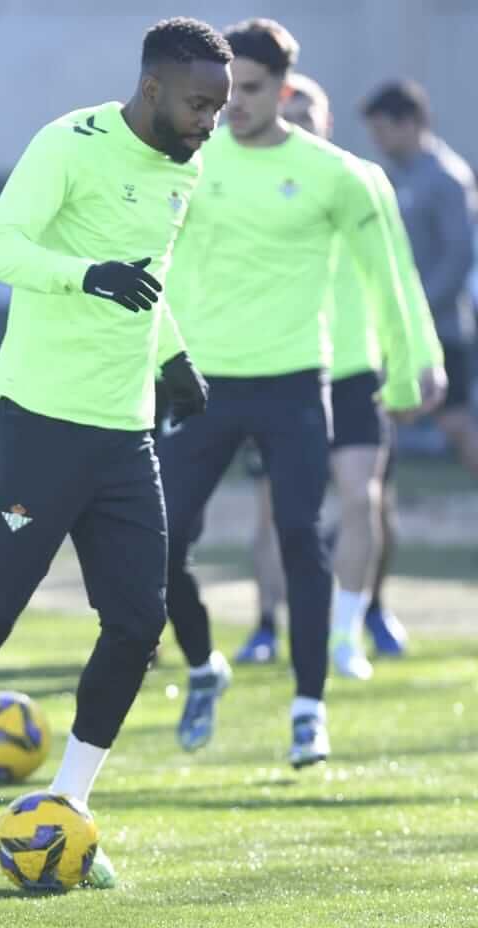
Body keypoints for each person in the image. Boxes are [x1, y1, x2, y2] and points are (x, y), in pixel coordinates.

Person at [0, 16, 229, 883]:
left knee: (139, 623)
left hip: (125, 432)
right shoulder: (68, 143)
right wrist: (84, 272)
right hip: (40, 425)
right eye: (197, 103)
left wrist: (174, 359)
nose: (209, 120)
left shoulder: (189, 164)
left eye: (217, 106)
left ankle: (69, 806)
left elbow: (150, 279)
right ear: (151, 89)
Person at [160, 20, 431, 769]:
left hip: (292, 386)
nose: (231, 105)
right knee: (159, 544)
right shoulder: (183, 162)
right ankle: (202, 664)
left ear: (283, 90)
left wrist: (414, 368)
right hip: (201, 385)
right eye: (220, 93)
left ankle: (309, 710)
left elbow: (390, 277)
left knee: (301, 539)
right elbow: (142, 255)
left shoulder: (339, 175)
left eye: (248, 90)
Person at [234, 73, 445, 672]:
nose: (295, 122)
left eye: (306, 114)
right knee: (277, 508)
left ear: (324, 123)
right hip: (281, 367)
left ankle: (346, 633)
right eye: (287, 112)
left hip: (355, 369)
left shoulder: (356, 183)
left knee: (362, 498)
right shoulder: (244, 183)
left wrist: (420, 356)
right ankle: (265, 626)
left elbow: (398, 278)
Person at [363, 78, 478, 649]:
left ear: (409, 122)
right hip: (389, 336)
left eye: (383, 127)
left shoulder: (447, 178)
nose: (377, 139)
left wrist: (412, 313)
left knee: (460, 431)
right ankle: (371, 578)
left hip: (441, 331)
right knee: (379, 449)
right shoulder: (389, 176)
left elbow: (458, 259)